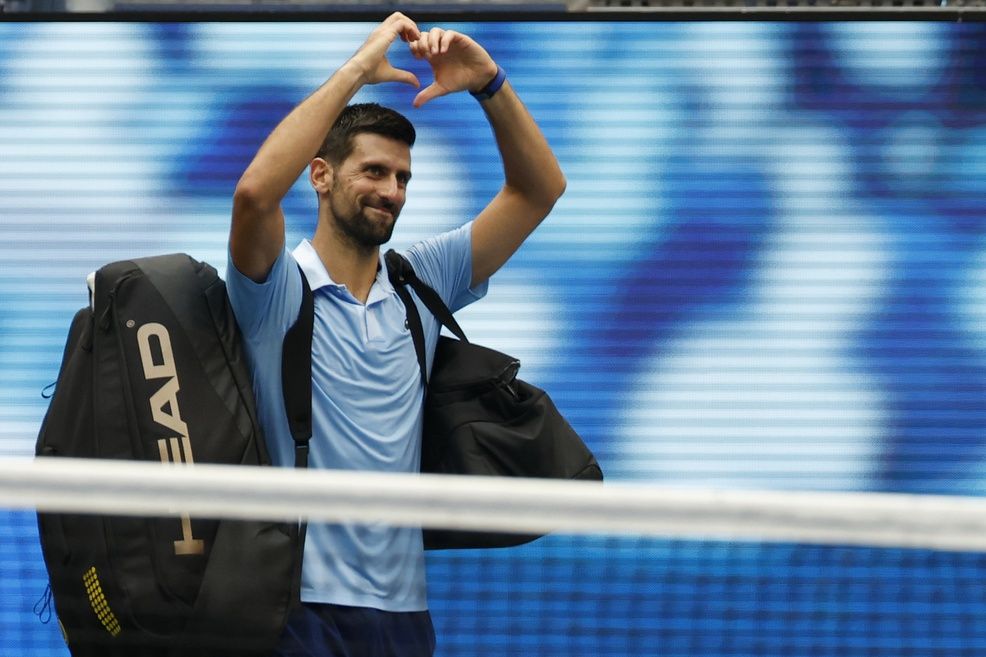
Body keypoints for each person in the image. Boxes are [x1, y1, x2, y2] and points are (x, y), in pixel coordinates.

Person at [226, 12, 565, 657]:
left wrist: (489, 82)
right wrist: (357, 69)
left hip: (403, 618)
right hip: (296, 612)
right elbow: (252, 195)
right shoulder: (276, 289)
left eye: (403, 178)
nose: (393, 191)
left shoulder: (421, 281)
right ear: (321, 175)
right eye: (375, 172)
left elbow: (539, 190)